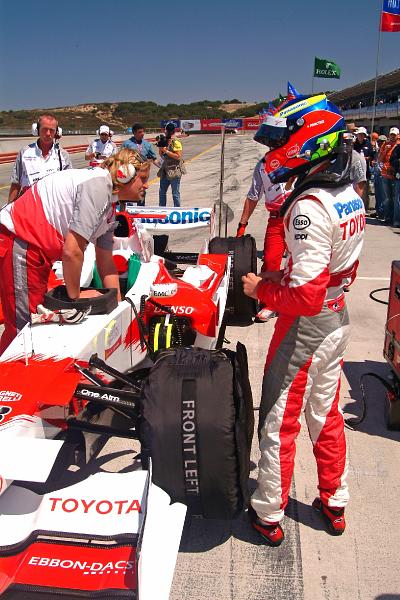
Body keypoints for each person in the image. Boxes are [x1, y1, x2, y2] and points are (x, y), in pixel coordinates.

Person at [242, 94, 365, 546]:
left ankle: (269, 513)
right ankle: (334, 500)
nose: (278, 150)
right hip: (340, 317)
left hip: (306, 328)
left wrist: (262, 290)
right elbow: (327, 273)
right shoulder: (349, 195)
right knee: (326, 413)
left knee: (278, 421)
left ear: (309, 142)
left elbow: (306, 297)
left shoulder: (309, 207)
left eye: (286, 138)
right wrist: (284, 273)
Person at [0, 149, 149, 354]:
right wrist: (76, 297)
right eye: (142, 179)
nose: (146, 185)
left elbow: (105, 262)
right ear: (125, 174)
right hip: (21, 241)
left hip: (32, 247)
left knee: (30, 328)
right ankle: (11, 382)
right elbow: (72, 251)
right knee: (25, 333)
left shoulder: (110, 206)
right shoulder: (98, 186)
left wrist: (118, 307)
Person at [236, 124, 293, 321]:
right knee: (270, 261)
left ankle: (306, 296)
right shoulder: (262, 165)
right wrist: (242, 224)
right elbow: (253, 195)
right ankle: (270, 302)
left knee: (305, 260)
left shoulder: (298, 159)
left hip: (300, 217)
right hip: (276, 220)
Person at [8, 114, 72, 204]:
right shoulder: (24, 152)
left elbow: (69, 185)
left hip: (53, 207)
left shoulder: (63, 155)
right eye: (44, 129)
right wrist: (9, 208)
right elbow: (16, 183)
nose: (48, 134)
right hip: (28, 205)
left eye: (52, 130)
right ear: (37, 130)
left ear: (57, 132)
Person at [121, 123, 157, 206]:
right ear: (134, 133)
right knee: (129, 192)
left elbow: (154, 159)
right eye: (140, 132)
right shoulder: (127, 144)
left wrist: (162, 167)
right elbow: (120, 158)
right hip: (129, 173)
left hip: (142, 175)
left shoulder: (147, 144)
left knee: (142, 192)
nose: (143, 134)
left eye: (143, 132)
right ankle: (128, 211)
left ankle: (141, 209)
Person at [158, 122, 185, 207]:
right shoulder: (164, 140)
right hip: (165, 170)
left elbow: (178, 156)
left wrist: (166, 151)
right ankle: (162, 209)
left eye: (166, 130)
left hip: (174, 170)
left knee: (175, 193)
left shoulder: (176, 142)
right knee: (162, 192)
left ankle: (177, 209)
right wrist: (161, 148)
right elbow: (161, 155)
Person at [379, 127, 400, 225]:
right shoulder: (385, 145)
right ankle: (388, 218)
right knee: (387, 197)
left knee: (396, 198)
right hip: (385, 174)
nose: (392, 136)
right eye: (391, 134)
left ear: (397, 135)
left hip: (395, 175)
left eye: (394, 135)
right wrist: (384, 151)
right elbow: (379, 160)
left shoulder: (399, 145)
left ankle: (396, 220)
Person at [353, 127, 373, 210]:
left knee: (365, 190)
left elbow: (372, 156)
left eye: (362, 135)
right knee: (355, 189)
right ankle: (356, 207)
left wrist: (366, 158)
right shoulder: (353, 144)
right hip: (354, 171)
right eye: (359, 134)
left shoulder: (368, 144)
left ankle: (364, 208)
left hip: (365, 170)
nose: (361, 136)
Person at [371, 134, 387, 220]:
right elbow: (375, 161)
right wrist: (373, 162)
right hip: (376, 174)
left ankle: (383, 213)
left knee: (383, 195)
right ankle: (378, 211)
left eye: (382, 141)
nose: (381, 143)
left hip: (383, 175)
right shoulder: (377, 151)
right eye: (379, 141)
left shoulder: (386, 150)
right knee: (377, 195)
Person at [390, 135, 400, 226]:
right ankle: (397, 220)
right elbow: (392, 160)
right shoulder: (398, 148)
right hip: (399, 177)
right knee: (397, 200)